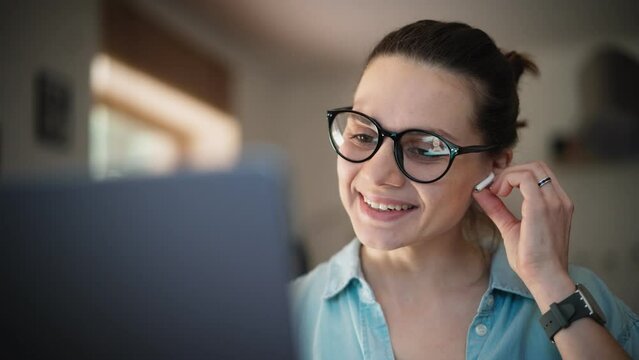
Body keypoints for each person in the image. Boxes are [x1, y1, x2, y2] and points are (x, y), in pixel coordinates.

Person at [291, 20, 638, 359]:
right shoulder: (287, 313)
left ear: (495, 166)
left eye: (425, 147)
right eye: (363, 135)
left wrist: (550, 285)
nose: (377, 174)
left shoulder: (572, 293)